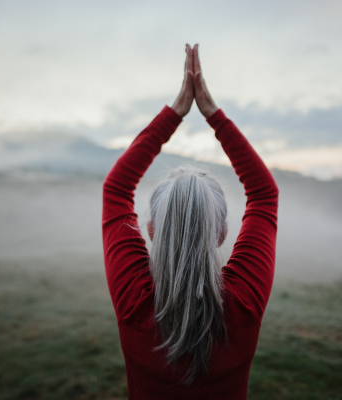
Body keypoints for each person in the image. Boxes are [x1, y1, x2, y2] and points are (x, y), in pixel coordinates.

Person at [102, 44, 278, 399]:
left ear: (150, 231)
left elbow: (116, 189)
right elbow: (263, 194)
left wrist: (177, 110)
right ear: (222, 234)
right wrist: (211, 112)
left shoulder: (133, 301)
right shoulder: (242, 303)